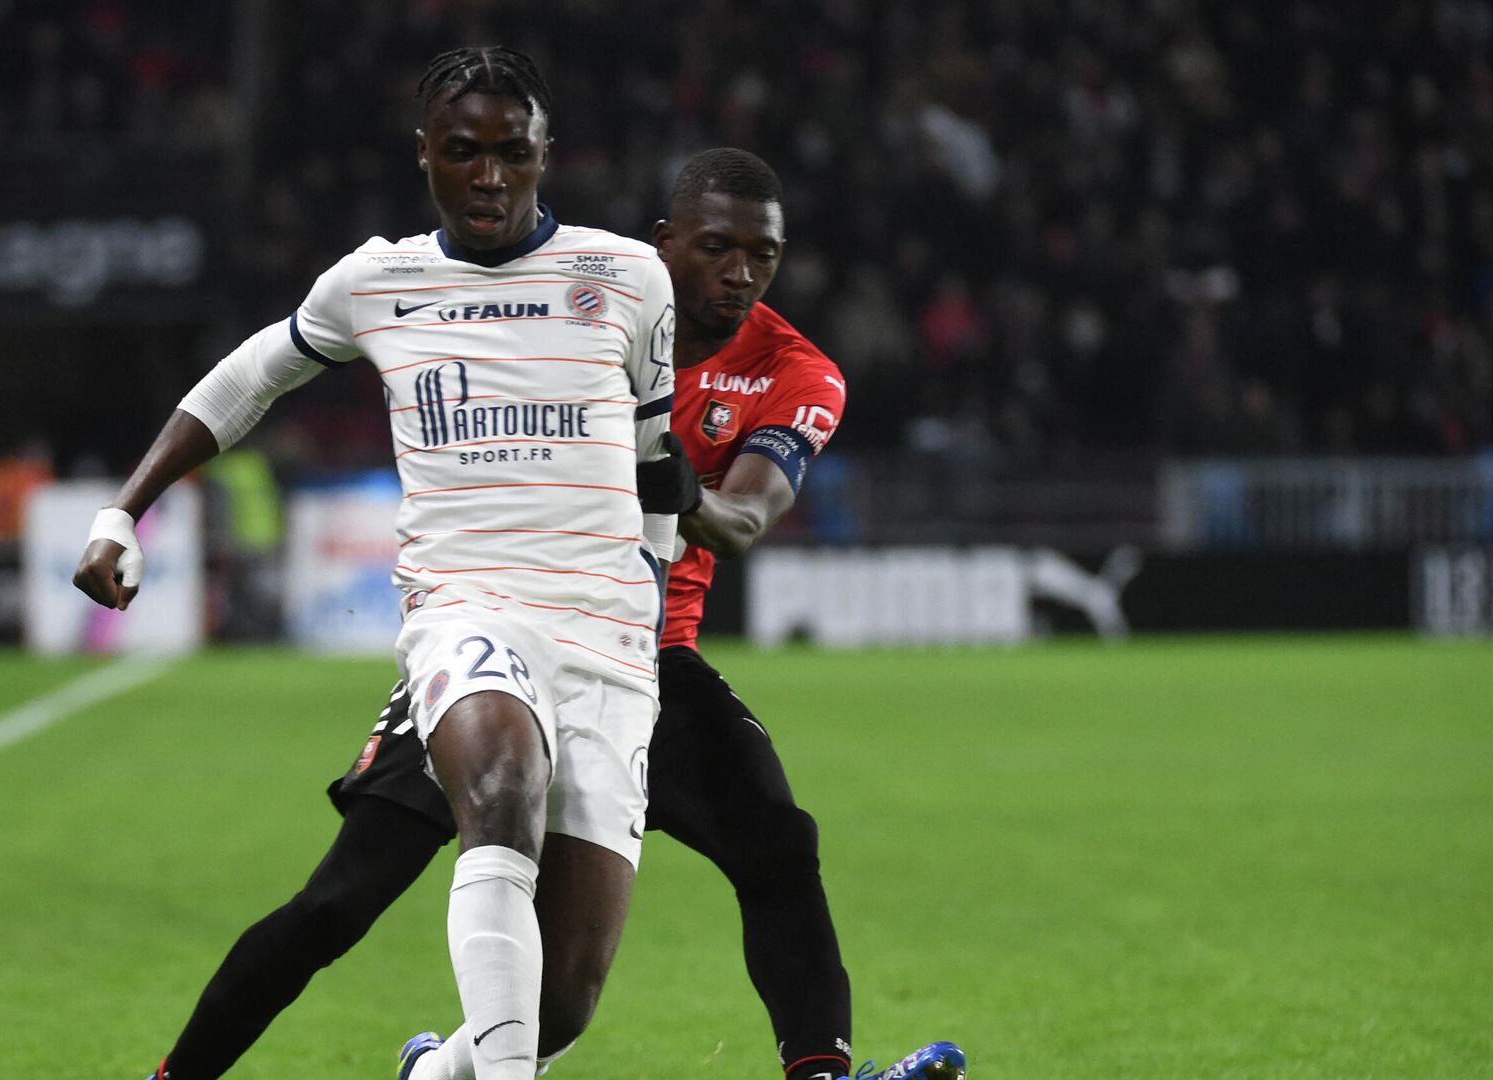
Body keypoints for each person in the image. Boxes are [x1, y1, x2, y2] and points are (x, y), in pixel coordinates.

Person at [139, 150, 963, 1080]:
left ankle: (815, 1073)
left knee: (768, 846)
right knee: (340, 902)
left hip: (643, 661)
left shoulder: (795, 370)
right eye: (718, 248)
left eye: (762, 256)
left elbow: (741, 520)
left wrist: (676, 489)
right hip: (505, 635)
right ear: (665, 247)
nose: (739, 274)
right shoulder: (582, 301)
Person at [75, 47, 684, 1080]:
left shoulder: (626, 277)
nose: (489, 176)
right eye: (463, 154)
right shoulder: (378, 281)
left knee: (564, 995)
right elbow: (244, 381)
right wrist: (123, 511)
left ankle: (435, 1072)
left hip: (605, 645)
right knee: (494, 786)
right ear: (424, 156)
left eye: (511, 153)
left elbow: (657, 465)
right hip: (468, 616)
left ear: (546, 155)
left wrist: (653, 609)